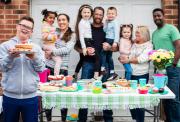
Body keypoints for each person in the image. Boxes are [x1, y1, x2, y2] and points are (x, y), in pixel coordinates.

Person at [0, 16, 45, 122]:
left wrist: (34, 57)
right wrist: (10, 56)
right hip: (10, 96)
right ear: (17, 26)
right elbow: (1, 67)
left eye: (29, 27)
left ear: (31, 31)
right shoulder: (5, 46)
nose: (25, 28)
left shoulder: (36, 48)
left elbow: (41, 69)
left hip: (31, 97)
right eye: (23, 25)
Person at [75, 6, 113, 122]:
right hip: (87, 63)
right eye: (96, 14)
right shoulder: (86, 25)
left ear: (103, 16)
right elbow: (76, 46)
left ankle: (108, 119)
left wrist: (110, 47)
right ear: (93, 14)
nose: (98, 16)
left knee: (106, 92)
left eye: (100, 14)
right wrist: (84, 50)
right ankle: (82, 119)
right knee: (83, 93)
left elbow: (116, 46)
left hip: (103, 65)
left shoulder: (107, 28)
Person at [44, 13, 76, 122]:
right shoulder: (54, 30)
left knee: (63, 95)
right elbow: (44, 41)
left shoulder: (72, 34)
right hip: (48, 66)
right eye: (59, 20)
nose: (61, 22)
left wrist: (51, 51)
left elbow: (66, 49)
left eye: (64, 20)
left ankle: (63, 120)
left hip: (62, 68)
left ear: (68, 21)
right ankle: (48, 120)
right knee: (48, 94)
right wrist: (46, 50)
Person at [119, 26, 153, 122]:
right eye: (136, 32)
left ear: (144, 35)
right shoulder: (134, 43)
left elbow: (142, 59)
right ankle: (135, 118)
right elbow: (127, 55)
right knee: (129, 99)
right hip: (130, 74)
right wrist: (123, 59)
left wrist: (128, 60)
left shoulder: (149, 45)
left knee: (140, 100)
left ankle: (140, 120)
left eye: (138, 33)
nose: (136, 34)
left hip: (141, 75)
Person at [152, 8, 180, 122]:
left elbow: (178, 46)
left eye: (159, 15)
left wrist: (173, 63)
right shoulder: (154, 33)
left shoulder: (171, 29)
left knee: (173, 98)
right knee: (164, 98)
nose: (157, 18)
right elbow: (154, 52)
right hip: (160, 70)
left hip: (172, 69)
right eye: (154, 16)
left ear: (164, 16)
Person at [75, 4, 100, 79]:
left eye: (88, 12)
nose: (86, 14)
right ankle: (96, 76)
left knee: (82, 59)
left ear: (91, 14)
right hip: (86, 41)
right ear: (81, 13)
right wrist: (84, 48)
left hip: (89, 41)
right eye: (84, 12)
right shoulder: (81, 22)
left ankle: (75, 74)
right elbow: (81, 36)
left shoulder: (88, 21)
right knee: (97, 57)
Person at [41, 9, 61, 75]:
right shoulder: (46, 26)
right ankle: (56, 76)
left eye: (53, 18)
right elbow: (44, 36)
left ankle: (45, 73)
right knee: (58, 60)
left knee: (48, 59)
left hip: (49, 45)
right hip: (49, 45)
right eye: (50, 18)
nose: (52, 20)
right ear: (45, 18)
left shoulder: (49, 26)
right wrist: (54, 37)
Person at [101, 7, 119, 80]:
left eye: (112, 14)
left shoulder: (115, 22)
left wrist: (115, 42)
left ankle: (103, 68)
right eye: (109, 13)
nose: (110, 15)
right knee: (109, 57)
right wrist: (106, 22)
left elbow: (117, 33)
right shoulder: (108, 22)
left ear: (116, 15)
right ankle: (112, 72)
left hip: (111, 40)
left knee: (103, 53)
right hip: (107, 38)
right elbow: (104, 30)